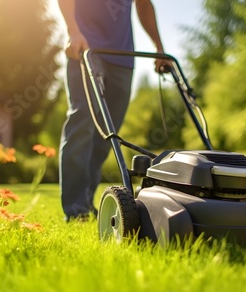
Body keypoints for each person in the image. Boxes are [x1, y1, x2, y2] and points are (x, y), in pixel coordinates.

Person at [57, 0, 169, 221]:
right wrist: (73, 31)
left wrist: (159, 47)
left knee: (109, 134)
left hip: (123, 58)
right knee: (84, 121)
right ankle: (76, 208)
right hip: (86, 47)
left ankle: (86, 201)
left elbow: (144, 4)